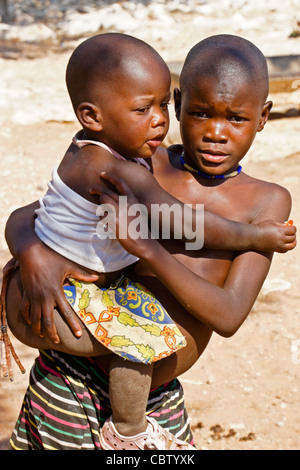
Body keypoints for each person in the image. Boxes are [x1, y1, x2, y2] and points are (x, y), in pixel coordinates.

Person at [2, 34, 296, 450]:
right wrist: (31, 254)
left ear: (263, 116)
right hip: (70, 377)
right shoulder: (143, 160)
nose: (216, 133)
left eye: (236, 118)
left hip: (150, 403)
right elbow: (28, 216)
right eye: (199, 113)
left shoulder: (264, 201)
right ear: (176, 105)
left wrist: (149, 251)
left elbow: (228, 315)